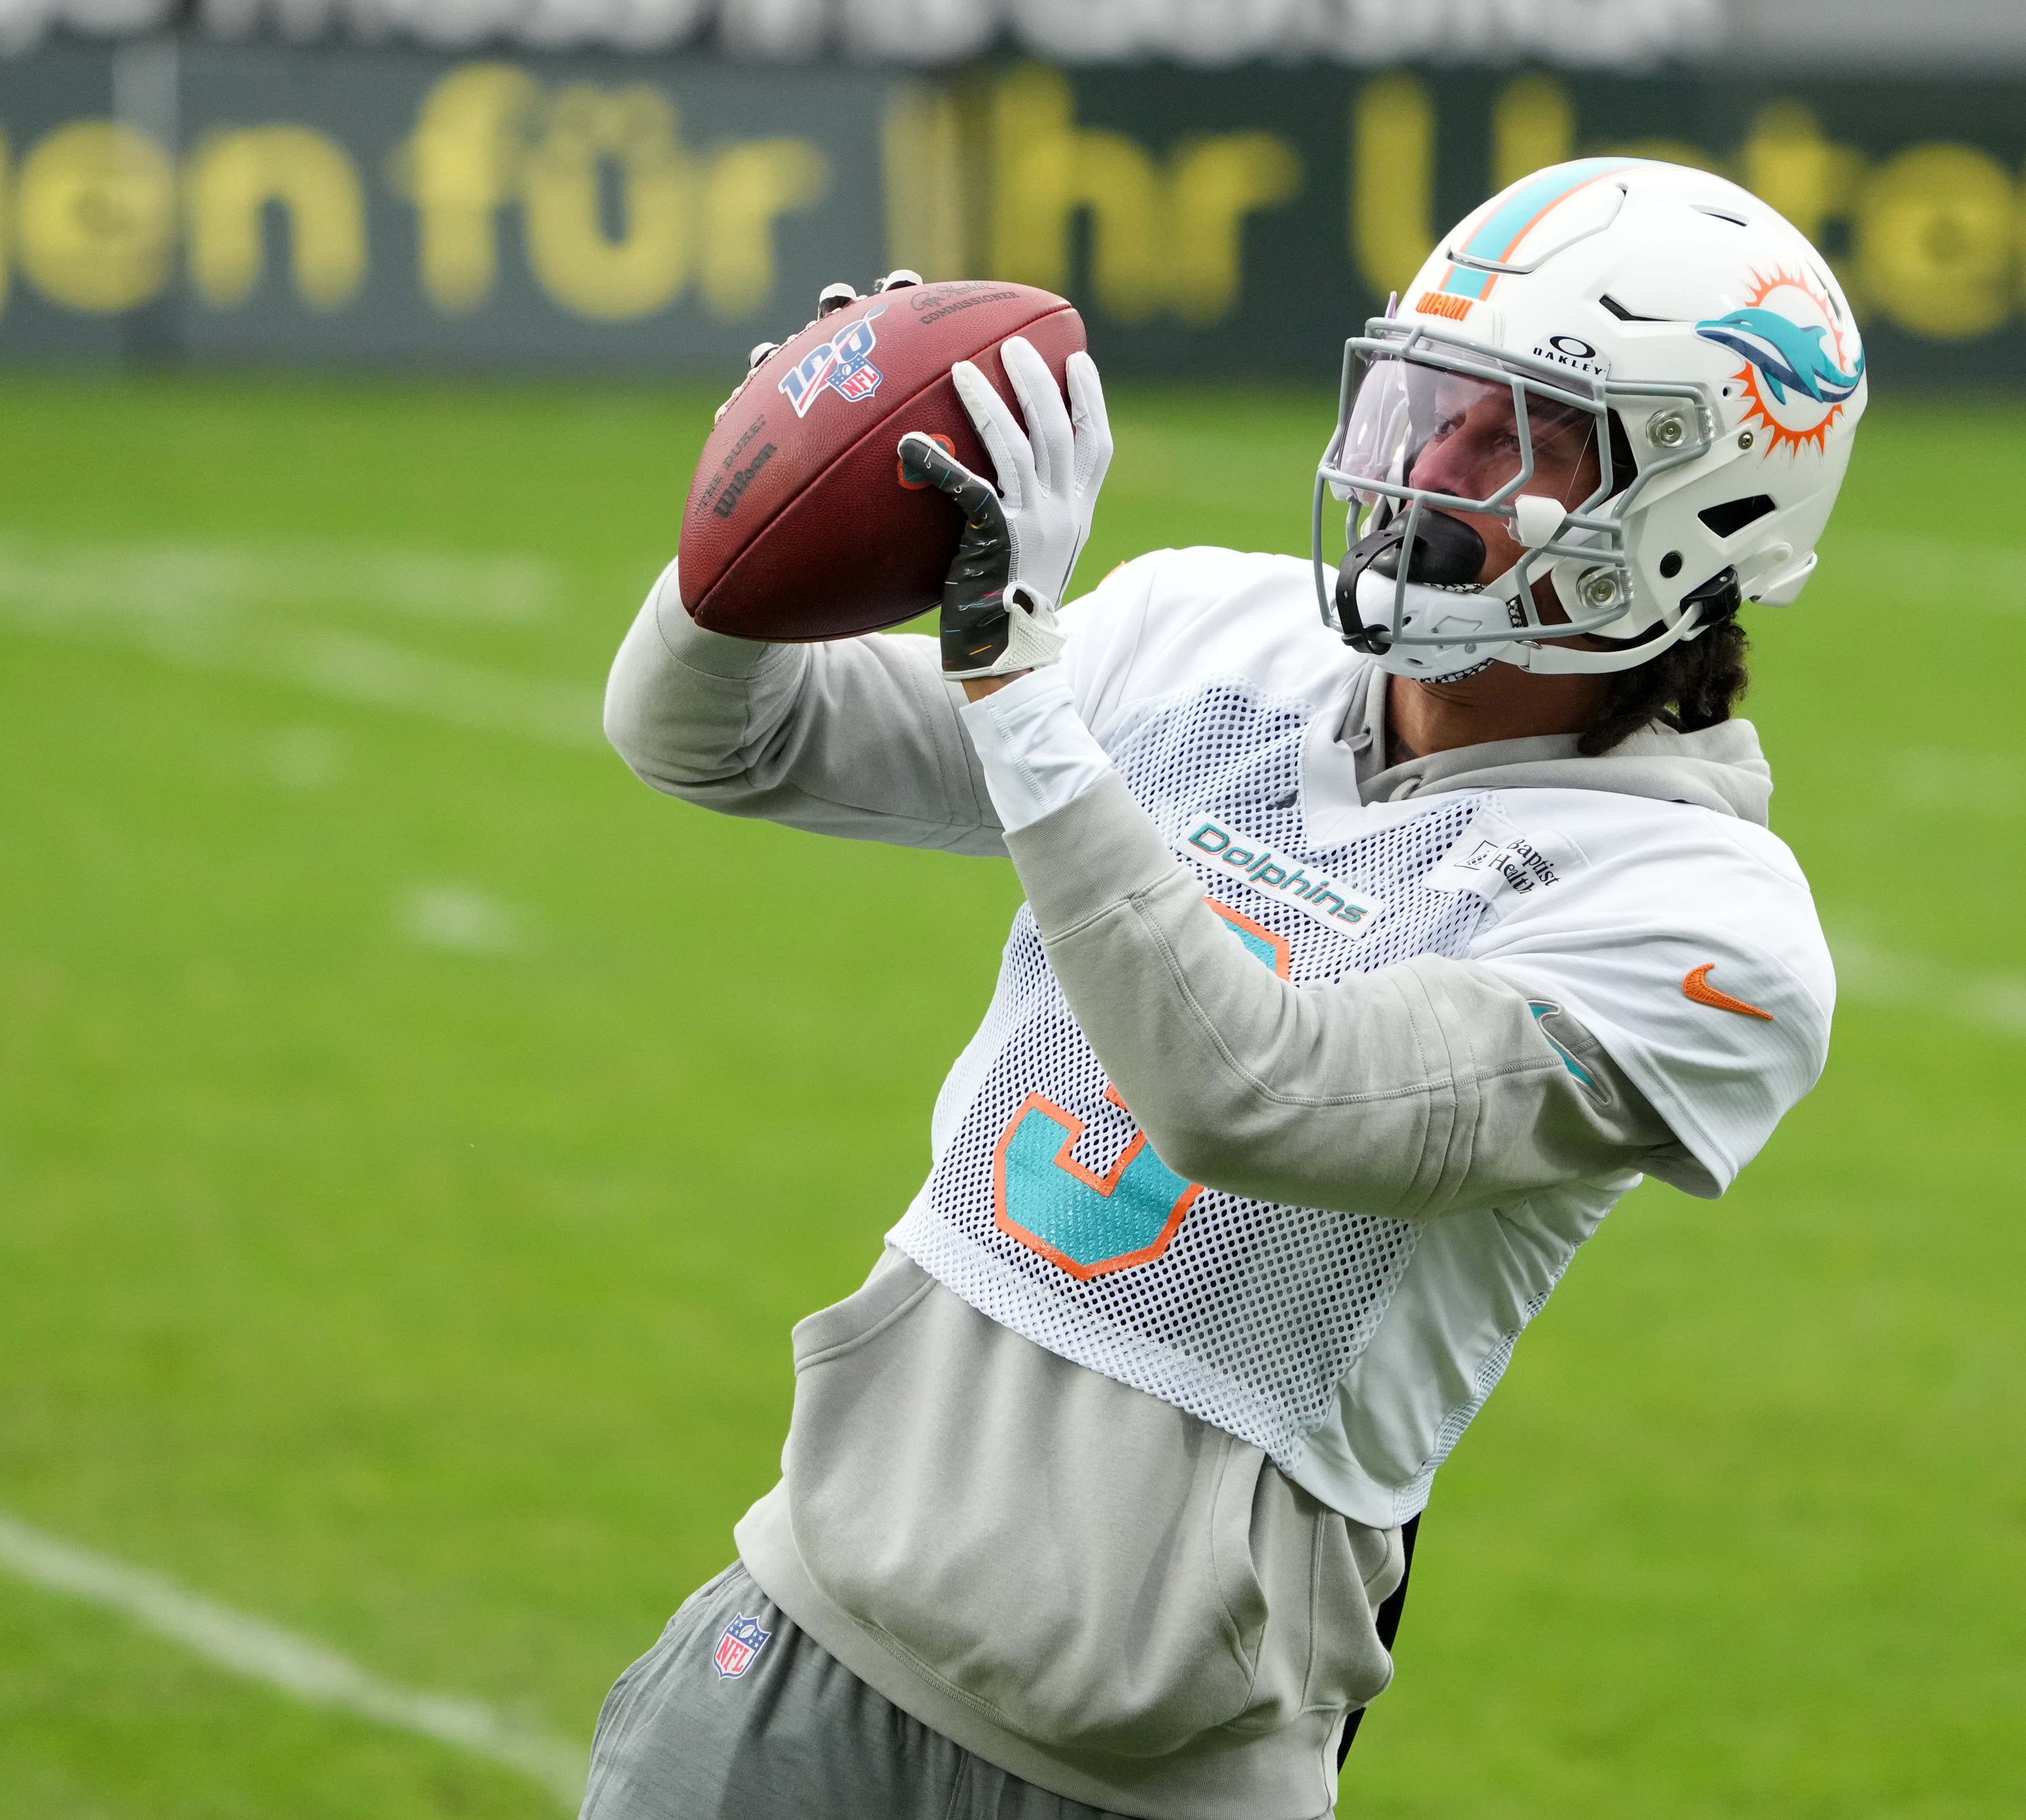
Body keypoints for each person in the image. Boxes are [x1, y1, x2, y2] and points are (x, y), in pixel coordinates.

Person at [588, 158, 1865, 1819]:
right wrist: (758, 495)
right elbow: (708, 735)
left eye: (1515, 433)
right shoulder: (1211, 631)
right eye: (1428, 401)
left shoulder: (1700, 930)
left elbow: (1250, 1095)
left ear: (1695, 508)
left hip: (1152, 1776)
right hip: (796, 1662)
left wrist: (1018, 689)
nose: (1424, 467)